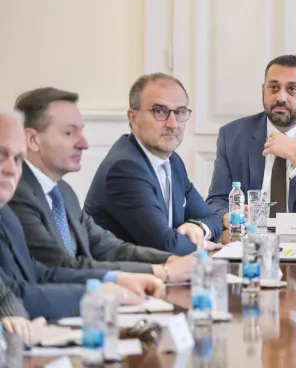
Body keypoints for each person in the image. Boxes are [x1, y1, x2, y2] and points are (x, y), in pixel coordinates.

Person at [9, 87, 194, 283]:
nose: (84, 144)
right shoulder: (16, 194)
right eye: (70, 133)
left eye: (81, 131)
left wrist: (171, 260)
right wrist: (162, 272)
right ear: (33, 140)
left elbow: (109, 247)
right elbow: (60, 268)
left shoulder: (62, 191)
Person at [0, 110, 163, 319]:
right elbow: (13, 295)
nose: (12, 169)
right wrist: (95, 295)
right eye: (1, 155)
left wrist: (115, 279)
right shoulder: (19, 201)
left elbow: (40, 274)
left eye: (18, 159)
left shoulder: (8, 216)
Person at [84, 74, 222, 255]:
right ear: (133, 118)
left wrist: (198, 227)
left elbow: (212, 217)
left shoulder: (173, 162)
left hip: (165, 273)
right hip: (123, 278)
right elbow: (166, 246)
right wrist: (202, 243)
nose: (173, 124)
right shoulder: (125, 169)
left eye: (180, 112)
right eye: (160, 111)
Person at [206, 55, 296, 225]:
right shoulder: (232, 136)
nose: (281, 97)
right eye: (273, 87)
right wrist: (226, 216)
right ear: (263, 91)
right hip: (251, 241)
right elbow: (216, 201)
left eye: (292, 89)